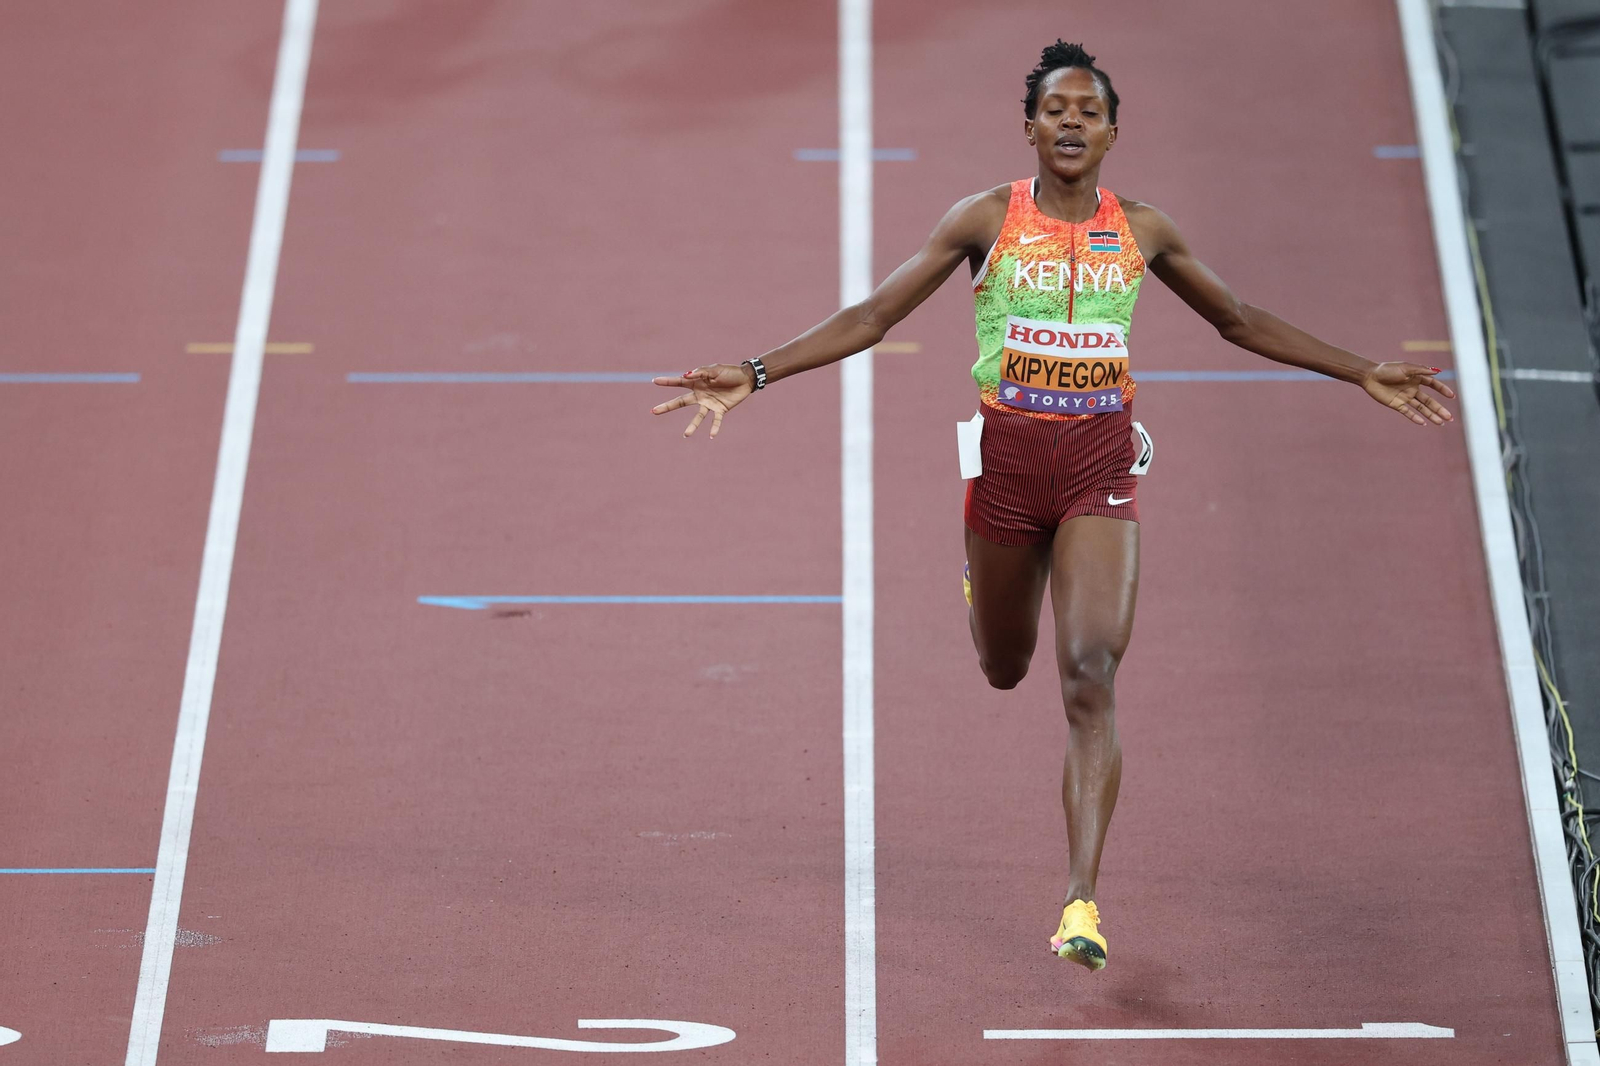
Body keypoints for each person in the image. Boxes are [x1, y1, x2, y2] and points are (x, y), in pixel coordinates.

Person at [650, 40, 1455, 972]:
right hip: (1007, 474)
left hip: (1098, 471)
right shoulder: (984, 220)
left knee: (1089, 671)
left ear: (1113, 132)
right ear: (1029, 126)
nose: (1072, 122)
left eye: (1090, 111)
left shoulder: (1144, 232)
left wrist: (1363, 372)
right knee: (1004, 667)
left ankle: (1080, 900)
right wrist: (754, 373)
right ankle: (980, 580)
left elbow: (1238, 320)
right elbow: (873, 316)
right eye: (1056, 109)